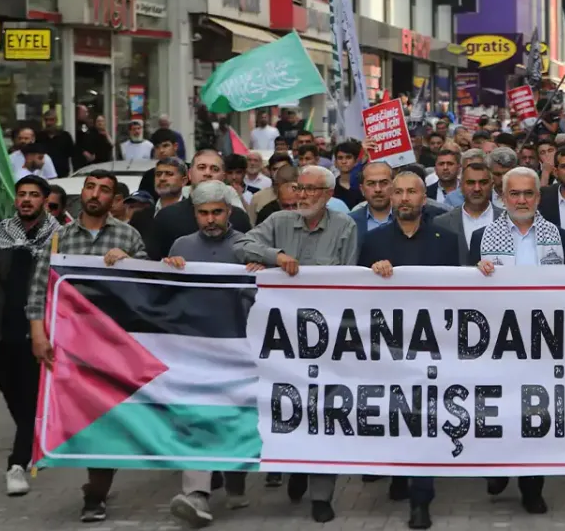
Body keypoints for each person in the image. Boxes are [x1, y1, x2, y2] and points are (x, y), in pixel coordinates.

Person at [235, 165, 358, 523]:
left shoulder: (344, 227)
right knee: (287, 407)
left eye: (311, 189)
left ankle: (321, 494)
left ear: (328, 195)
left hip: (325, 338)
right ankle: (296, 467)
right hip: (280, 340)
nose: (302, 195)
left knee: (323, 412)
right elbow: (239, 244)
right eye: (299, 188)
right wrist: (273, 258)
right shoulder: (278, 221)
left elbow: (348, 280)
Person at [29, 169, 147, 522]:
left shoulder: (128, 235)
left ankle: (96, 491)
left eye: (104, 189)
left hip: (115, 345)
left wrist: (129, 262)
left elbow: (149, 285)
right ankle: (87, 481)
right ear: (82, 193)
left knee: (108, 418)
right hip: (70, 344)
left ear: (114, 198)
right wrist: (38, 334)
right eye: (90, 187)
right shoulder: (58, 238)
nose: (95, 194)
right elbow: (38, 290)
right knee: (78, 416)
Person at [359, 171, 460, 529]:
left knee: (424, 418)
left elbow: (460, 292)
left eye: (411, 192)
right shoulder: (373, 241)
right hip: (388, 346)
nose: (404, 198)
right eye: (398, 191)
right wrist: (372, 272)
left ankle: (421, 499)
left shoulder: (446, 241)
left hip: (431, 346)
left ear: (423, 197)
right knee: (395, 414)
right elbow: (356, 294)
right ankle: (399, 474)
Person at [471, 167, 565, 513]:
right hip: (496, 341)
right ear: (503, 198)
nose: (522, 200)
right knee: (497, 408)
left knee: (534, 412)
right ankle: (497, 469)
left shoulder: (559, 235)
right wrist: (475, 273)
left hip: (542, 340)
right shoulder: (481, 236)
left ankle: (532, 488)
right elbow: (461, 290)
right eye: (514, 194)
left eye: (529, 193)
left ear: (539, 197)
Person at [159, 180, 255, 526]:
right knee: (197, 419)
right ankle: (196, 494)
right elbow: (165, 295)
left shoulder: (248, 246)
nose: (211, 219)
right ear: (195, 214)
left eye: (217, 212)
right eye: (203, 213)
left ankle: (235, 481)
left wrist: (259, 275)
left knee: (233, 420)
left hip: (238, 348)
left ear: (229, 212)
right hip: (194, 348)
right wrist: (168, 270)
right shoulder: (181, 246)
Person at [0, 174, 61, 497]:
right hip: (1, 328)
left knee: (30, 397)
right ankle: (35, 440)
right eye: (22, 194)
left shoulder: (58, 237)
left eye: (33, 194)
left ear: (45, 201)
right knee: (10, 391)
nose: (26, 200)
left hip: (39, 331)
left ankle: (17, 464)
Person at [148, 150, 252, 260]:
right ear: (189, 174)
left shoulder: (239, 217)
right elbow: (154, 263)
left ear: (223, 177)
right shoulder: (166, 217)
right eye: (201, 167)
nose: (207, 173)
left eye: (214, 169)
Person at [433, 162, 503, 265]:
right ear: (461, 186)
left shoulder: (508, 220)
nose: (477, 188)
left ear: (492, 185)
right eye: (470, 183)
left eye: (483, 183)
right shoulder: (442, 223)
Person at [139, 128, 186, 195]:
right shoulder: (149, 176)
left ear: (175, 146)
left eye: (165, 146)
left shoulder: (190, 172)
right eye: (157, 147)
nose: (161, 150)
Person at [248, 153, 293, 221]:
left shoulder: (300, 195)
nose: (279, 173)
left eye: (283, 169)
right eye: (275, 169)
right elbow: (251, 224)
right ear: (269, 171)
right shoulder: (258, 197)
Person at [39, 109, 75, 177]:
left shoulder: (65, 136)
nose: (49, 123)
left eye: (51, 120)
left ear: (56, 120)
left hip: (62, 173)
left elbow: (72, 155)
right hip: (44, 173)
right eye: (46, 120)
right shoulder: (39, 137)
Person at [332, 140, 365, 209]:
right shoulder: (331, 187)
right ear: (335, 163)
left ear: (356, 161)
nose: (344, 161)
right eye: (340, 158)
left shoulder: (364, 184)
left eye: (348, 157)